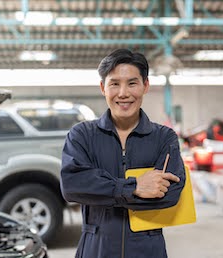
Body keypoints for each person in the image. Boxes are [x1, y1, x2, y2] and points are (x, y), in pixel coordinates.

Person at [60, 48, 186, 258]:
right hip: (96, 248)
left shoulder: (164, 138)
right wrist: (135, 186)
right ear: (103, 87)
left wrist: (102, 189)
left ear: (145, 86)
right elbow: (73, 186)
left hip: (148, 249)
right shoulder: (82, 135)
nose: (123, 93)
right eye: (115, 83)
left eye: (132, 83)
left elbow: (171, 195)